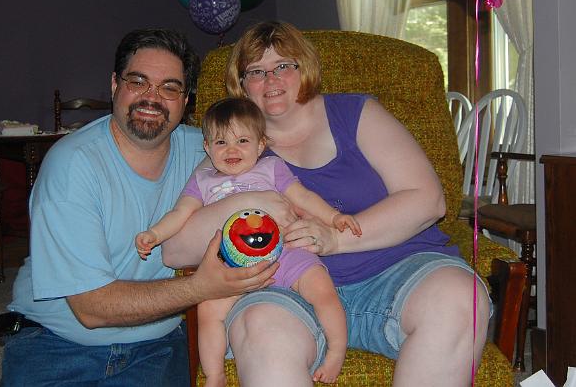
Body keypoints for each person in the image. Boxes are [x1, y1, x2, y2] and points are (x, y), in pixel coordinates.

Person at [162, 21, 492, 387]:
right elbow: (174, 251)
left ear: (305, 68)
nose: (271, 80)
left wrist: (336, 239)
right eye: (256, 71)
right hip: (283, 288)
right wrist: (254, 200)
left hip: (398, 272)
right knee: (263, 332)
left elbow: (428, 200)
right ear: (241, 85)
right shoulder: (231, 149)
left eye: (284, 65)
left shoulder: (356, 114)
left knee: (461, 297)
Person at [0, 28, 280, 387]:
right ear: (115, 85)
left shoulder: (210, 151)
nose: (152, 97)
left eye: (170, 87)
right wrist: (202, 287)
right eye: (138, 81)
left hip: (155, 345)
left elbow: (281, 163)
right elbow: (92, 308)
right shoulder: (73, 165)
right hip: (58, 344)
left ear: (186, 100)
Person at [136, 97, 361, 386]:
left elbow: (302, 197)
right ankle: (215, 373)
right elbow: (180, 214)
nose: (231, 150)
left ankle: (336, 350)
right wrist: (155, 234)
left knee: (322, 289)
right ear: (207, 147)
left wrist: (333, 217)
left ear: (260, 144)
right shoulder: (203, 181)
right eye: (220, 143)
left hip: (286, 250)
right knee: (207, 311)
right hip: (230, 263)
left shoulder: (271, 169)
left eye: (242, 140)